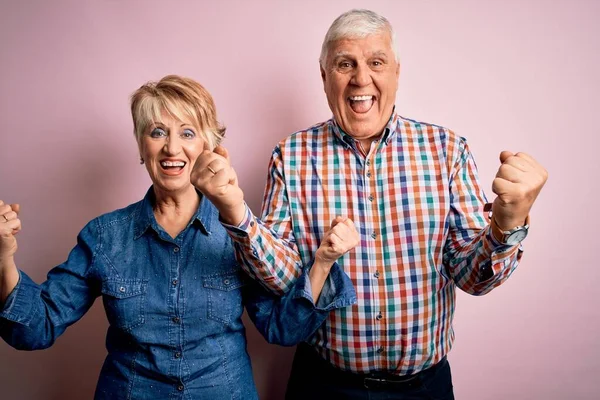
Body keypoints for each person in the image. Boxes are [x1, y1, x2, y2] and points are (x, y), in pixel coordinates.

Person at [194, 9, 548, 400]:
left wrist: (505, 228)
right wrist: (235, 212)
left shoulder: (448, 150)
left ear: (396, 70)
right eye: (345, 64)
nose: (362, 78)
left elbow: (471, 277)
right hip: (324, 385)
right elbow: (285, 282)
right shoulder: (290, 156)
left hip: (423, 388)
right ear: (325, 76)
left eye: (376, 62)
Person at [0, 75, 356, 399]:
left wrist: (323, 261)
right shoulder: (104, 237)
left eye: (187, 133)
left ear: (209, 146)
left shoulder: (242, 234)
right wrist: (4, 257)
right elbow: (36, 328)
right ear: (142, 148)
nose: (172, 148)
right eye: (157, 132)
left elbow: (282, 329)